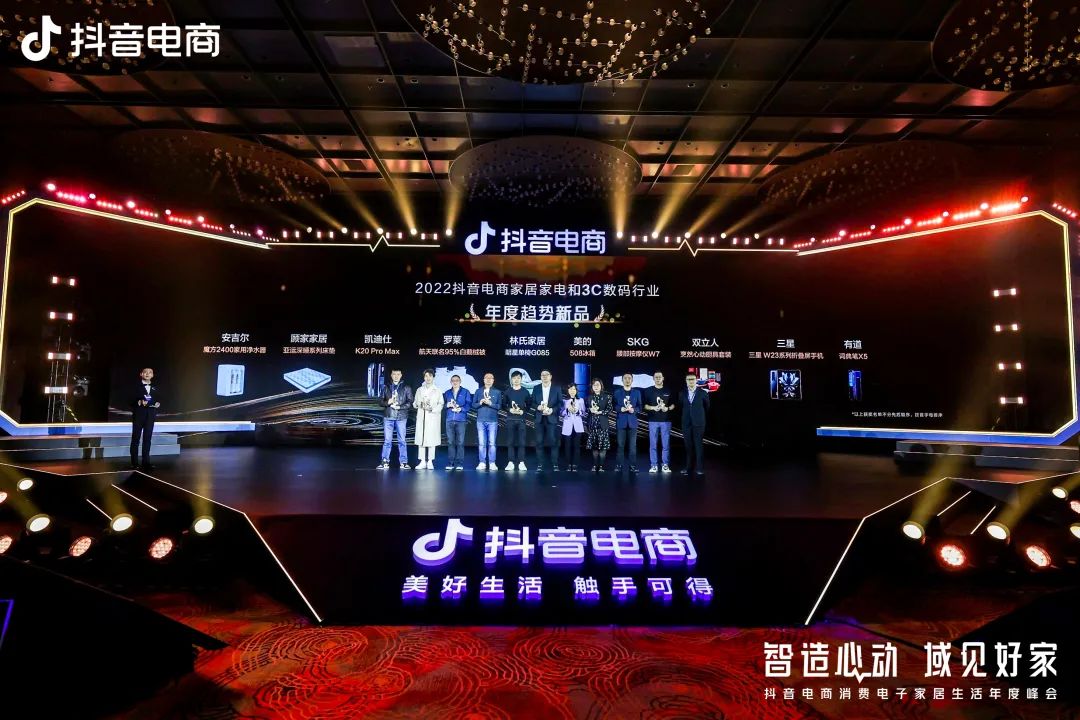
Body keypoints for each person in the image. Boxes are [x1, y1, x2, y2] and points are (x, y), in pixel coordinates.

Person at [378, 368, 413, 469]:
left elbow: (410, 402)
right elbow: (380, 402)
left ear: (401, 375)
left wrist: (400, 407)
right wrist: (388, 402)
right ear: (391, 375)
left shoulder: (406, 387)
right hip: (388, 416)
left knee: (402, 440)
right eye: (394, 374)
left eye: (398, 374)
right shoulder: (386, 387)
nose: (396, 376)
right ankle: (385, 461)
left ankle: (404, 462)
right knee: (387, 440)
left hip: (401, 417)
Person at [531, 369, 562, 473]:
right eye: (542, 375)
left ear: (550, 376)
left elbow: (560, 403)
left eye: (546, 375)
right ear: (540, 377)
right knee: (539, 442)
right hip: (539, 418)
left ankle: (555, 464)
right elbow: (532, 402)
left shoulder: (556, 388)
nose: (544, 376)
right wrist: (538, 407)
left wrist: (552, 410)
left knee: (553, 441)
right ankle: (540, 464)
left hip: (551, 418)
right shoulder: (536, 388)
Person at [679, 372, 710, 476]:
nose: (691, 381)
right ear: (686, 381)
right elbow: (680, 406)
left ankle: (699, 468)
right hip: (686, 423)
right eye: (689, 379)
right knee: (688, 445)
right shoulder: (682, 393)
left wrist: (698, 415)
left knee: (698, 445)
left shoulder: (703, 393)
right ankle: (688, 467)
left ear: (696, 380)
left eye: (692, 379)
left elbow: (707, 407)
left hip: (699, 422)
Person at [642, 371, 673, 474]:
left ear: (663, 378)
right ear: (653, 378)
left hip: (666, 421)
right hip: (653, 421)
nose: (658, 378)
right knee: (653, 444)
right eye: (656, 377)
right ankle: (654, 465)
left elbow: (673, 405)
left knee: (666, 445)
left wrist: (667, 408)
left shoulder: (668, 390)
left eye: (660, 377)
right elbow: (644, 406)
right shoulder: (648, 390)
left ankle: (665, 465)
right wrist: (653, 407)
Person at [412, 369, 444, 469]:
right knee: (421, 439)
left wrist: (433, 409)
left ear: (433, 377)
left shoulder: (437, 390)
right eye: (426, 376)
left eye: (430, 376)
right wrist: (418, 404)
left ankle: (430, 461)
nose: (428, 378)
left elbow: (441, 404)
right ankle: (422, 461)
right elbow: (414, 403)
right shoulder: (419, 390)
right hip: (422, 417)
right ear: (424, 378)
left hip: (432, 417)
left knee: (431, 439)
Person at [130, 367, 161, 469]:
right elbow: (130, 400)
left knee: (147, 439)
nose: (147, 374)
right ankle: (134, 463)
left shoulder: (155, 388)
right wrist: (139, 402)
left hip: (150, 415)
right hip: (139, 415)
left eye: (150, 372)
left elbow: (158, 399)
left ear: (152, 375)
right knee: (136, 439)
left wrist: (158, 403)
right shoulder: (135, 386)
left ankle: (146, 462)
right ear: (141, 374)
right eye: (145, 372)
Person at [612, 372, 642, 472]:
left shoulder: (637, 392)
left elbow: (640, 406)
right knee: (620, 445)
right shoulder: (617, 392)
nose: (627, 380)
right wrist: (620, 409)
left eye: (629, 378)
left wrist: (634, 410)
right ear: (622, 380)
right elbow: (613, 405)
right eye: (625, 378)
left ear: (632, 380)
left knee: (632, 446)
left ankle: (632, 466)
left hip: (632, 423)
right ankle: (619, 465)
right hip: (621, 422)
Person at [503, 370, 530, 471]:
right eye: (514, 378)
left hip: (521, 420)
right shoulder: (507, 391)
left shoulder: (525, 391)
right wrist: (509, 409)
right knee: (510, 441)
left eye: (518, 378)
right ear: (511, 379)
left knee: (521, 442)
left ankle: (521, 462)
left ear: (521, 379)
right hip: (510, 419)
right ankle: (511, 462)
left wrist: (523, 411)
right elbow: (503, 405)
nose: (516, 380)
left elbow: (529, 404)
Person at [443, 374, 471, 471]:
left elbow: (468, 405)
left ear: (460, 382)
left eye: (457, 380)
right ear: (450, 382)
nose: (455, 382)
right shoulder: (447, 393)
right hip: (449, 420)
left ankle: (460, 463)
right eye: (453, 380)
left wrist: (461, 409)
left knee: (460, 442)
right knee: (450, 442)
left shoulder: (465, 392)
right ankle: (450, 463)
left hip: (461, 420)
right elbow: (442, 405)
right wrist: (447, 405)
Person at [474, 372, 502, 470]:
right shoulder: (478, 391)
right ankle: (482, 462)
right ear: (484, 380)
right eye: (487, 378)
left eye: (491, 378)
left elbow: (499, 406)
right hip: (480, 420)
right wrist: (480, 403)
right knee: (482, 443)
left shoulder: (497, 392)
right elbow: (473, 405)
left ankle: (492, 462)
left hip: (492, 420)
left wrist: (491, 404)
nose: (489, 380)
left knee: (492, 443)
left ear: (493, 380)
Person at [585, 379, 611, 473]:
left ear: (601, 386)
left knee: (603, 447)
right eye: (594, 385)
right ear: (592, 387)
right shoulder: (589, 397)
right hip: (593, 425)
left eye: (598, 385)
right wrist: (590, 410)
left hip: (603, 425)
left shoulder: (606, 397)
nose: (596, 387)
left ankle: (601, 466)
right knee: (594, 447)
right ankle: (595, 465)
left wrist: (600, 412)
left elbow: (609, 409)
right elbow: (586, 409)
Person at [559, 382, 586, 471]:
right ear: (568, 390)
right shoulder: (564, 400)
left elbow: (584, 412)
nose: (572, 391)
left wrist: (577, 411)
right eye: (570, 389)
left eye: (574, 389)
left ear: (576, 390)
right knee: (567, 446)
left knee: (577, 446)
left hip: (578, 425)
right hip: (568, 425)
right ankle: (568, 464)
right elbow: (561, 412)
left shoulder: (580, 400)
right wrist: (567, 410)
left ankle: (575, 464)